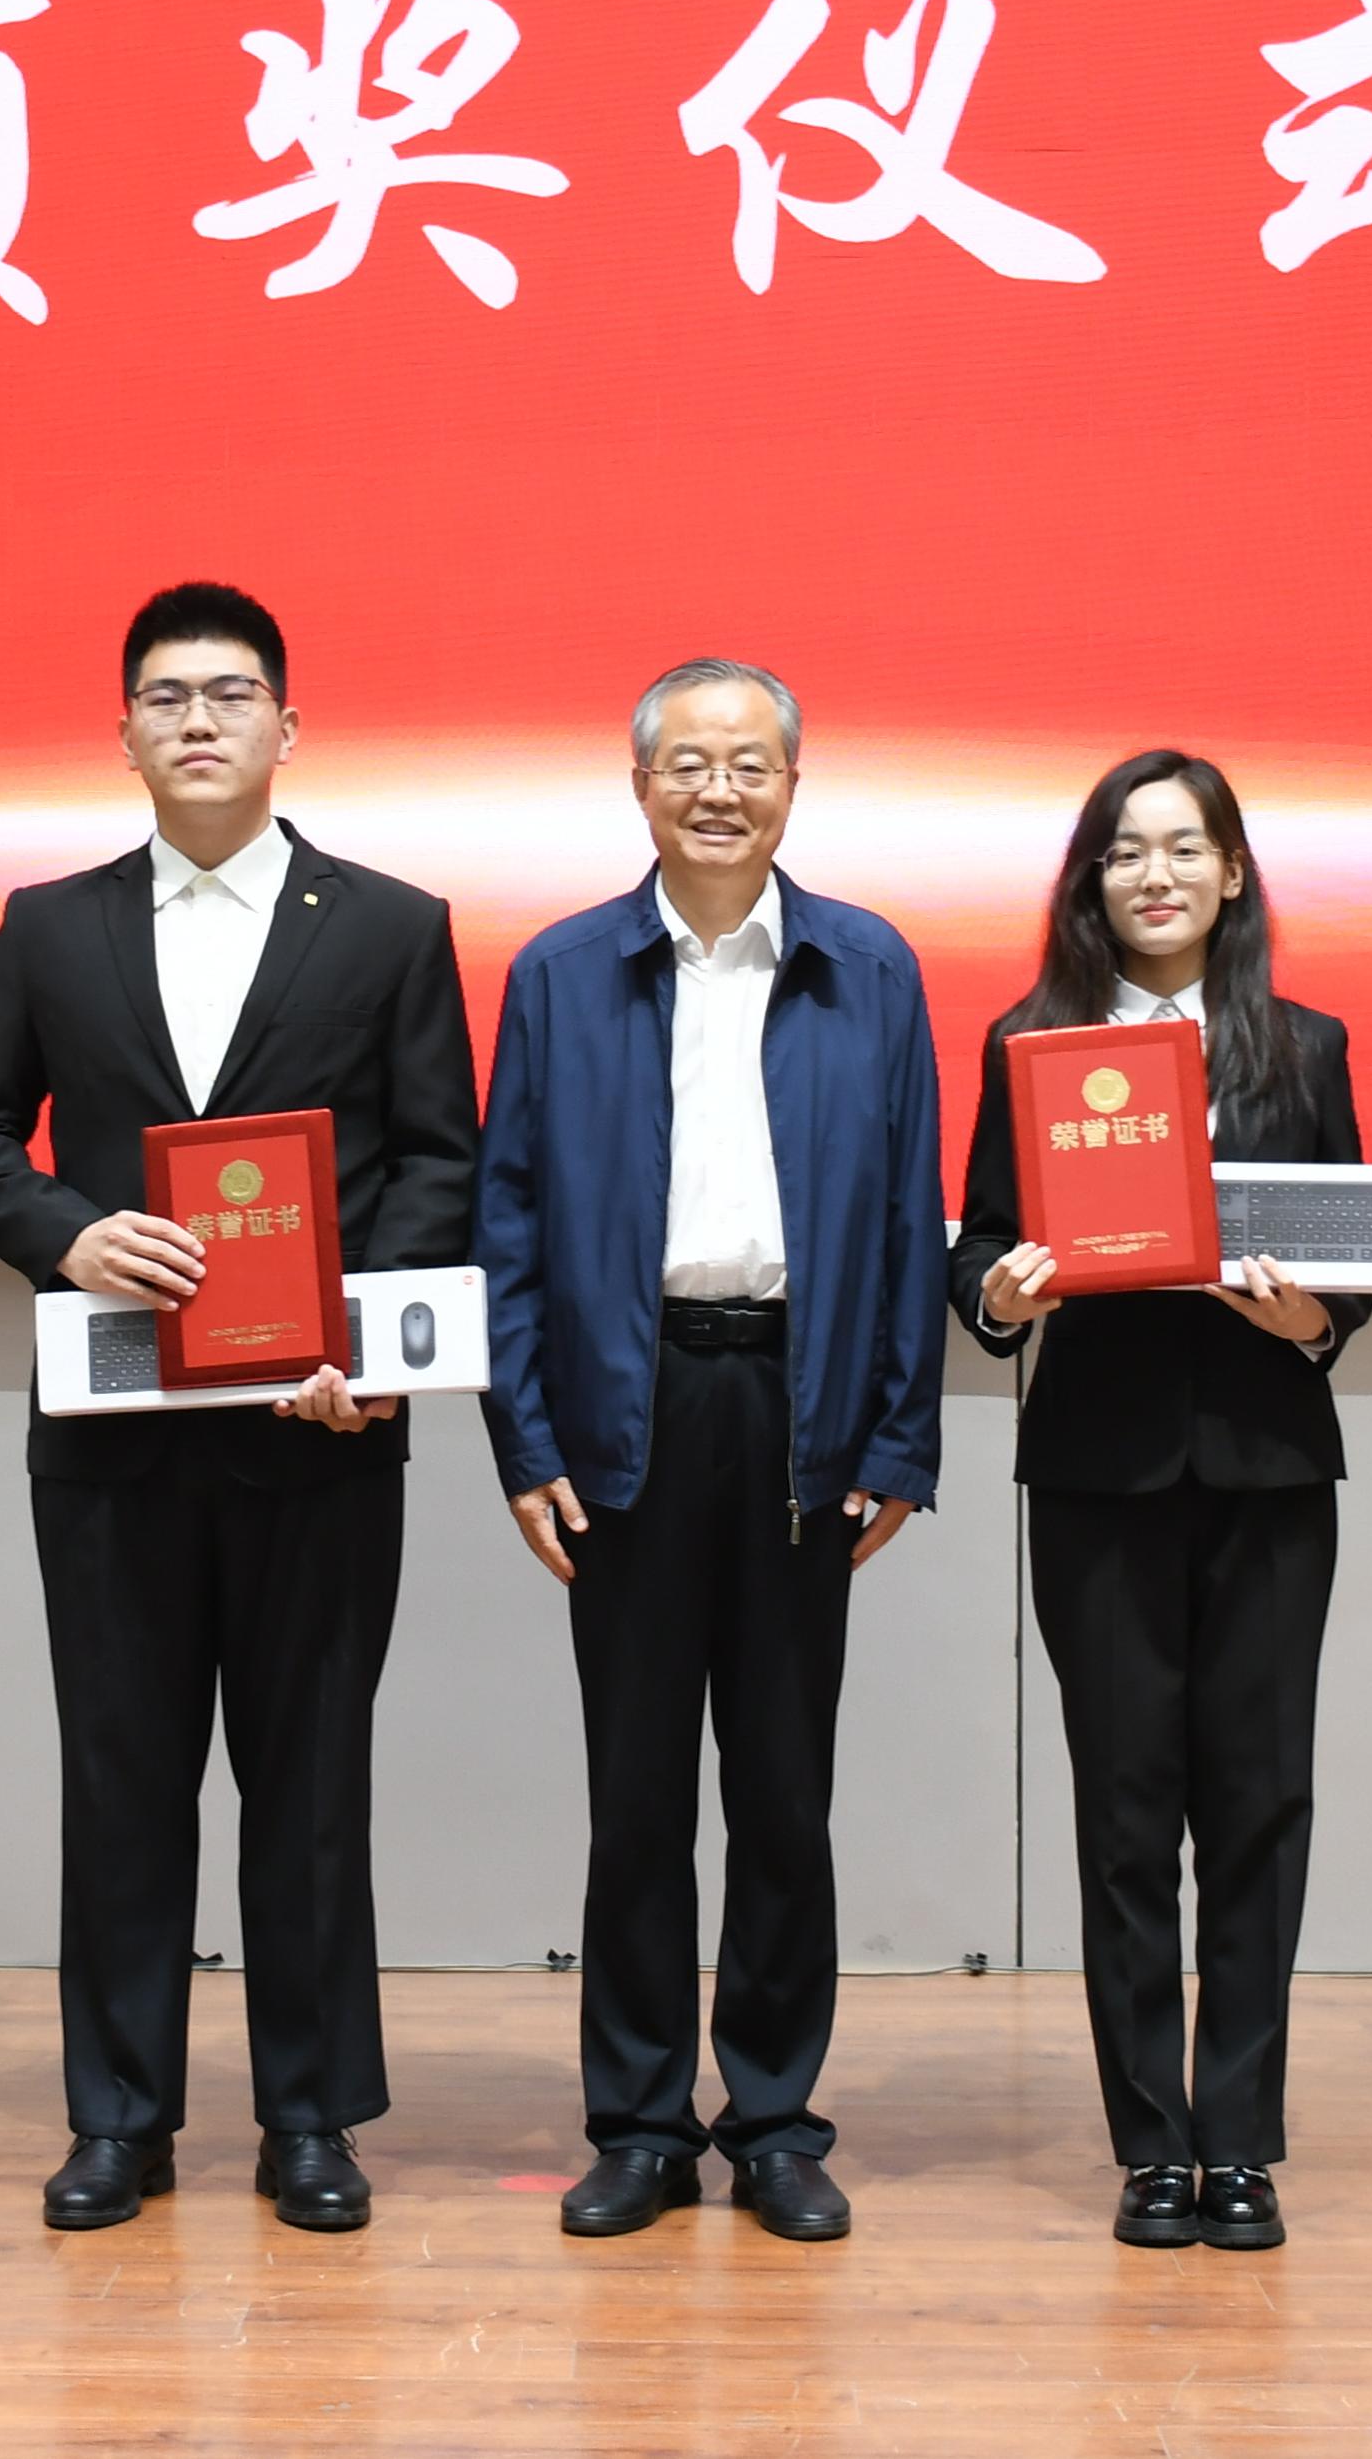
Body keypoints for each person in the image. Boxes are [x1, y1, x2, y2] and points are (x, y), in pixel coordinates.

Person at [0, 582, 479, 2237]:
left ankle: (311, 2119)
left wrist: (362, 1349)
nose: (198, 721)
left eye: (230, 695)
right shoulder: (50, 926)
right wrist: (64, 1233)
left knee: (311, 1788)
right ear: (124, 735)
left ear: (287, 728)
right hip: (114, 1438)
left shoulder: (389, 925)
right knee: (122, 1779)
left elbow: (437, 1158)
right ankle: (120, 2119)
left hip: (320, 1433)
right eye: (166, 698)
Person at [475, 660, 950, 2244]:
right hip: (628, 1409)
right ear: (640, 787)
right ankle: (635, 2126)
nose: (719, 789)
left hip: (800, 1412)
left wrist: (898, 1435)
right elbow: (506, 1222)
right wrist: (521, 1437)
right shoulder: (560, 975)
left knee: (783, 1794)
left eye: (750, 762)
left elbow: (907, 1222)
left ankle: (773, 2122)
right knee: (633, 1799)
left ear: (792, 786)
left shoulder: (867, 968)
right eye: (688, 762)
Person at [950, 750, 1369, 2257]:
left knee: (1257, 1808)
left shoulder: (1303, 1047)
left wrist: (1309, 1322)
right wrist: (999, 1296)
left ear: (1232, 874)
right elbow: (980, 1245)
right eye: (1125, 852)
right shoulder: (1031, 1046)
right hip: (1098, 1473)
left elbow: (1350, 1255)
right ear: (1093, 881)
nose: (1155, 876)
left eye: (1185, 849)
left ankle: (1238, 2141)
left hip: (1268, 1472)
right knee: (1124, 1816)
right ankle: (1150, 2145)